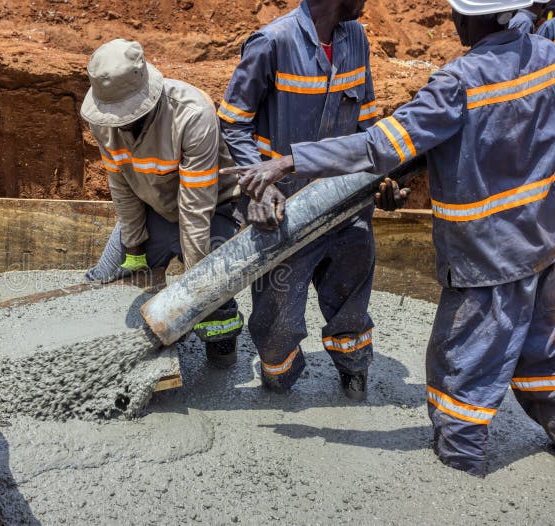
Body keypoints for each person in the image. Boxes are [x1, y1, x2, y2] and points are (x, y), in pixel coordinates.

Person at [222, 0, 555, 476]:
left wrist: (291, 161)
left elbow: (377, 139)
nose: (451, 21)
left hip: (482, 253)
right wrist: (271, 182)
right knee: (543, 352)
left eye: (458, 12)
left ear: (479, 17)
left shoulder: (454, 81)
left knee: (458, 366)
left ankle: (459, 469)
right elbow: (235, 120)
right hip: (540, 239)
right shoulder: (545, 54)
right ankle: (279, 382)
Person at [218, 0, 378, 400]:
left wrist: (383, 177)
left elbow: (369, 120)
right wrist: (260, 185)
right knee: (276, 321)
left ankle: (354, 371)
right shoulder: (271, 43)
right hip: (282, 209)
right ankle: (278, 377)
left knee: (350, 305)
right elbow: (234, 123)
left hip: (346, 204)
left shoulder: (355, 38)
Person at [81, 39, 244, 368]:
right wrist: (135, 248)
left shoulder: (192, 114)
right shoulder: (102, 120)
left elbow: (195, 209)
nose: (119, 123)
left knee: (212, 295)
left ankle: (221, 352)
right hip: (154, 209)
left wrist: (195, 289)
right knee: (107, 278)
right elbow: (121, 186)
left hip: (213, 212)